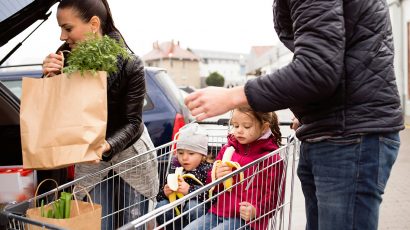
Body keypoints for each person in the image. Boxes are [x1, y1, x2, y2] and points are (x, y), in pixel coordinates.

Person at [184, 1, 404, 229]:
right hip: (334, 128)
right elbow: (332, 60)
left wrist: (232, 97)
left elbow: (317, 69)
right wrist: (311, 111)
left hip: (347, 135)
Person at [41, 0, 159, 229]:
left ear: (94, 23)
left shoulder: (130, 63)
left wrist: (107, 145)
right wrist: (48, 80)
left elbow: (133, 122)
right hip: (89, 160)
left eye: (67, 28)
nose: (62, 37)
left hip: (131, 157)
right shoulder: (63, 59)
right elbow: (53, 113)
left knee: (131, 223)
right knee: (96, 224)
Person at [184, 107, 283, 230]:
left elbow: (273, 197)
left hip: (247, 221)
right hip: (217, 212)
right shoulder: (227, 149)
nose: (239, 131)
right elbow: (211, 184)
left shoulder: (271, 158)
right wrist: (216, 176)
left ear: (264, 127)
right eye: (235, 126)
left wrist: (255, 211)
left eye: (246, 127)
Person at [155, 123, 212, 230]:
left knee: (193, 207)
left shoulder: (207, 170)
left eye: (191, 153)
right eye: (181, 153)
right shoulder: (175, 168)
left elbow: (212, 196)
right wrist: (165, 192)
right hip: (176, 211)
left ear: (203, 155)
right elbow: (159, 196)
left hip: (198, 213)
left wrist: (189, 190)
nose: (184, 158)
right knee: (161, 206)